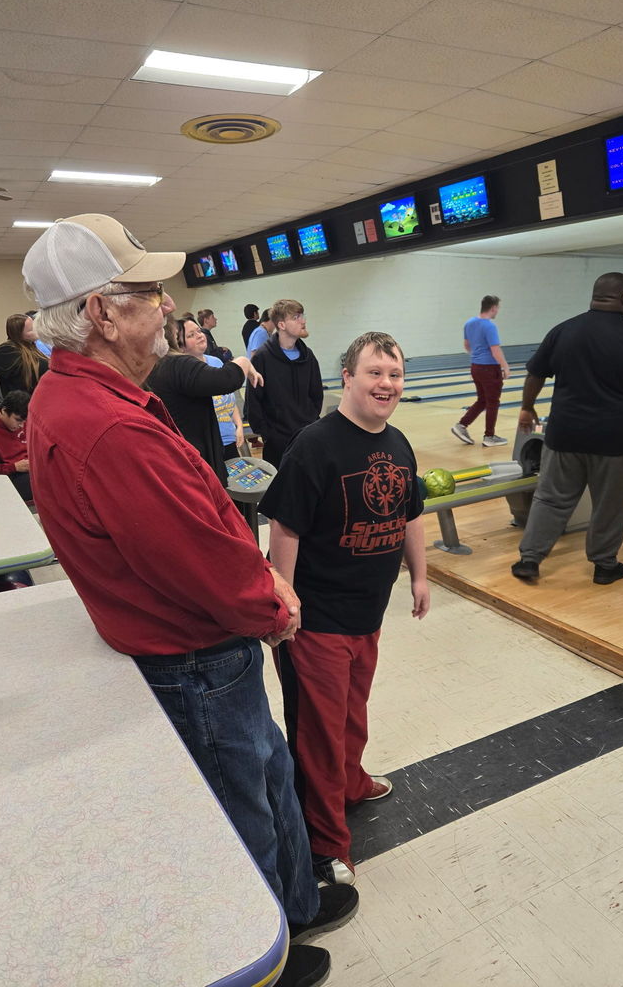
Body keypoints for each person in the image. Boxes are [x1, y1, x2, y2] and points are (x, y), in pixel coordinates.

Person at [22, 213, 356, 987]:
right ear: (101, 313)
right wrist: (275, 606)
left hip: (202, 649)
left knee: (269, 774)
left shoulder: (84, 397)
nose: (169, 303)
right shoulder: (107, 426)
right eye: (149, 292)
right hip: (195, 658)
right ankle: (265, 951)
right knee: (243, 807)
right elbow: (197, 562)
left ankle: (297, 903)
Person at [260, 331, 430, 887]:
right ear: (348, 378)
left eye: (395, 374)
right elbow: (285, 526)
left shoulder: (398, 443)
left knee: (353, 714)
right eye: (375, 372)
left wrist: (420, 575)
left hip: (367, 614)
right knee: (319, 734)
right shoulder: (315, 445)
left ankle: (351, 784)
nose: (387, 384)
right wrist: (285, 599)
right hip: (318, 621)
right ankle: (325, 842)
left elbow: (410, 513)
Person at [511, 272, 623, 585]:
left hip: (564, 435)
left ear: (595, 296)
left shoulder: (563, 330)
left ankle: (530, 560)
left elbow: (535, 374)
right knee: (612, 503)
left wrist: (527, 406)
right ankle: (604, 565)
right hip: (618, 441)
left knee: (551, 498)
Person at [147, 317, 257, 482]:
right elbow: (228, 379)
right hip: (198, 453)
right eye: (190, 335)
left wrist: (238, 425)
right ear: (180, 343)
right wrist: (243, 361)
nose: (199, 336)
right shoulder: (177, 366)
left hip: (220, 441)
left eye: (198, 331)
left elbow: (228, 399)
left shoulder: (210, 362)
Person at [247, 299, 323, 469]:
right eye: (296, 317)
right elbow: (254, 400)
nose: (303, 321)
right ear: (281, 324)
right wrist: (268, 434)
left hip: (307, 437)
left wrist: (310, 422)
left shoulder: (308, 356)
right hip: (277, 442)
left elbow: (316, 394)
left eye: (302, 316)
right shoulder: (262, 357)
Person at [452, 294, 510, 447]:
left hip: (475, 366)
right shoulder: (489, 326)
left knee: (483, 400)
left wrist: (477, 356)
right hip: (490, 368)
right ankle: (489, 436)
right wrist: (505, 366)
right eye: (497, 308)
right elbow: (495, 350)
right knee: (493, 402)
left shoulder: (469, 323)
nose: (497, 311)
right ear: (493, 308)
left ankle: (461, 425)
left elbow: (467, 345)